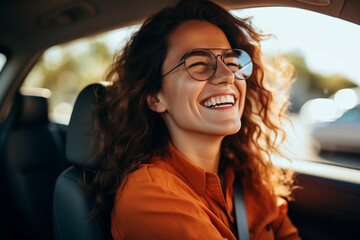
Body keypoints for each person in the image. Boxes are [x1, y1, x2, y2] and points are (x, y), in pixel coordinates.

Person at [86, 0, 300, 239]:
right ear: (155, 98)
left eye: (231, 62)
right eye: (198, 65)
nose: (228, 76)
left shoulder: (246, 177)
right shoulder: (149, 194)